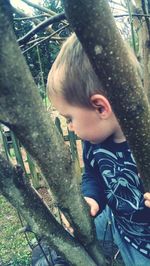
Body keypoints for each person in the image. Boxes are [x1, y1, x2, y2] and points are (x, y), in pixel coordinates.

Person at [47, 33, 150, 266]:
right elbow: (93, 175)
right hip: (127, 237)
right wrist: (91, 197)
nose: (70, 127)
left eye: (69, 117)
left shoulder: (145, 139)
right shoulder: (93, 144)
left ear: (100, 107)